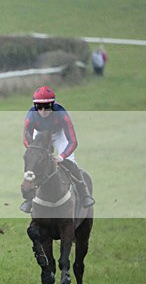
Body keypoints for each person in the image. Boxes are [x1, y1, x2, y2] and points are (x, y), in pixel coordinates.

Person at [20, 85, 95, 213]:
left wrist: (61, 157)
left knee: (71, 162)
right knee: (33, 164)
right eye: (39, 107)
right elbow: (26, 139)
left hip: (59, 134)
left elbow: (73, 141)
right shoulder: (31, 116)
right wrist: (36, 152)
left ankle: (84, 194)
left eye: (47, 107)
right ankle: (28, 200)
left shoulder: (61, 114)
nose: (43, 111)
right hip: (40, 135)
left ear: (53, 105)